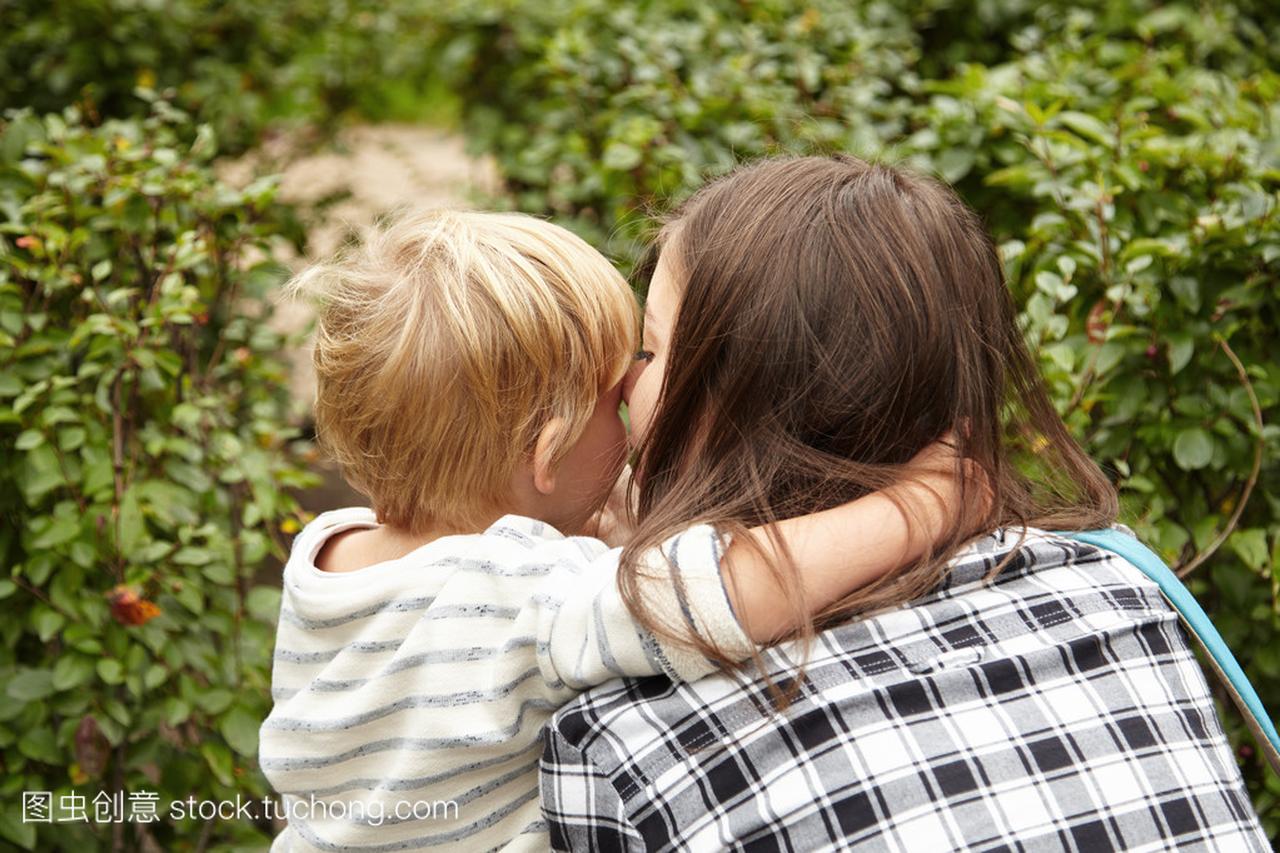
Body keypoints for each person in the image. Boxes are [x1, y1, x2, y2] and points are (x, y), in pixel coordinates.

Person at [540, 156, 1270, 850]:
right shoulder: (1119, 588)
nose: (625, 384)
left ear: (744, 399)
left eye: (649, 348)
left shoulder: (625, 733)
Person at [257, 210, 976, 851]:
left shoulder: (329, 553)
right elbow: (713, 593)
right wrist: (927, 503)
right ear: (546, 454)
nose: (635, 397)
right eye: (616, 393)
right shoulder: (516, 593)